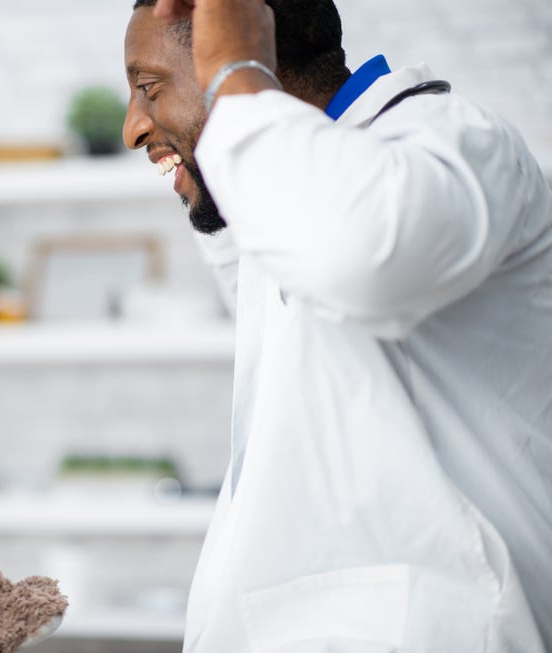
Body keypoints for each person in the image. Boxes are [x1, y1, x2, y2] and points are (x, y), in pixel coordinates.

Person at [124, 1, 552, 652]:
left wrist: (236, 73)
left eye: (149, 88)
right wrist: (206, 154)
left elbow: (355, 253)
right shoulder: (299, 197)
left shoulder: (451, 137)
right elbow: (263, 256)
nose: (132, 126)